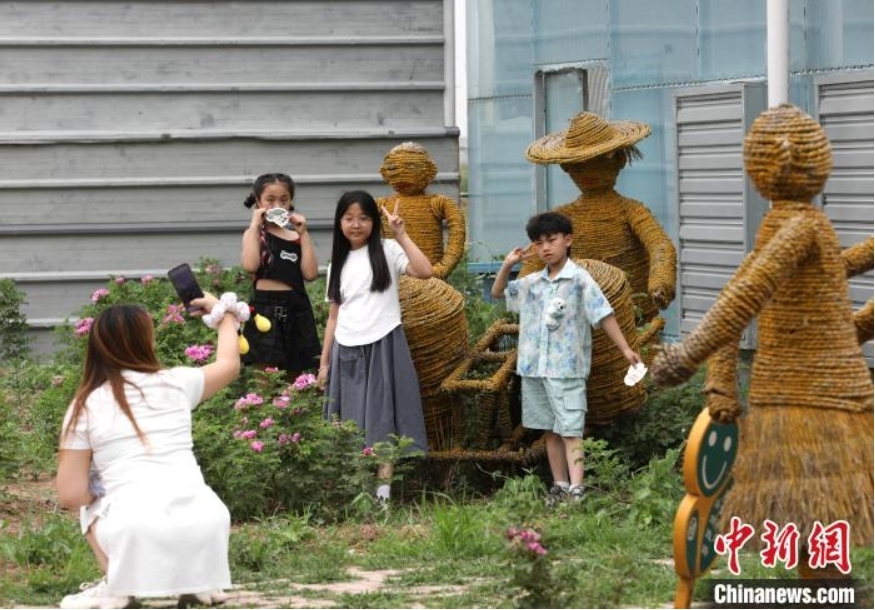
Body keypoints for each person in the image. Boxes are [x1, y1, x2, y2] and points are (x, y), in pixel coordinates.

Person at [56, 291, 246, 609]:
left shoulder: (85, 404)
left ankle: (119, 587)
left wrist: (102, 486)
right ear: (147, 341)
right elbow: (229, 364)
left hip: (132, 529)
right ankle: (197, 583)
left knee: (90, 507)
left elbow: (71, 494)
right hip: (207, 522)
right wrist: (224, 313)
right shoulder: (177, 382)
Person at [491, 211, 641, 505]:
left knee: (570, 429)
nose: (545, 247)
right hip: (535, 368)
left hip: (567, 368)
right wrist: (508, 265)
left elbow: (603, 314)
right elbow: (498, 294)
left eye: (551, 240)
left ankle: (577, 489)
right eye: (539, 242)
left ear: (567, 240)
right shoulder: (532, 282)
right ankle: (559, 485)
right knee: (549, 429)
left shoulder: (580, 280)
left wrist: (625, 349)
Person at [318, 190, 432, 504]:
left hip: (384, 343)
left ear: (374, 222)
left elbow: (425, 271)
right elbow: (333, 317)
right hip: (347, 348)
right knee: (350, 423)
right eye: (349, 218)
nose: (356, 225)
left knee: (383, 419)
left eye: (364, 218)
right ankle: (355, 492)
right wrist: (324, 363)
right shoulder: (337, 263)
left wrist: (402, 233)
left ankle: (383, 494)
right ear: (339, 222)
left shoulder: (389, 249)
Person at [241, 173, 321, 378]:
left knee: (296, 379)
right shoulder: (255, 234)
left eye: (283, 200)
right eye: (270, 200)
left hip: (296, 309)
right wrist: (254, 226)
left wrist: (303, 233)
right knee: (265, 378)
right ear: (258, 201)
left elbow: (310, 274)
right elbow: (250, 266)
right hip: (264, 311)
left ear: (291, 202)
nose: (277, 204)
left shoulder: (296, 237)